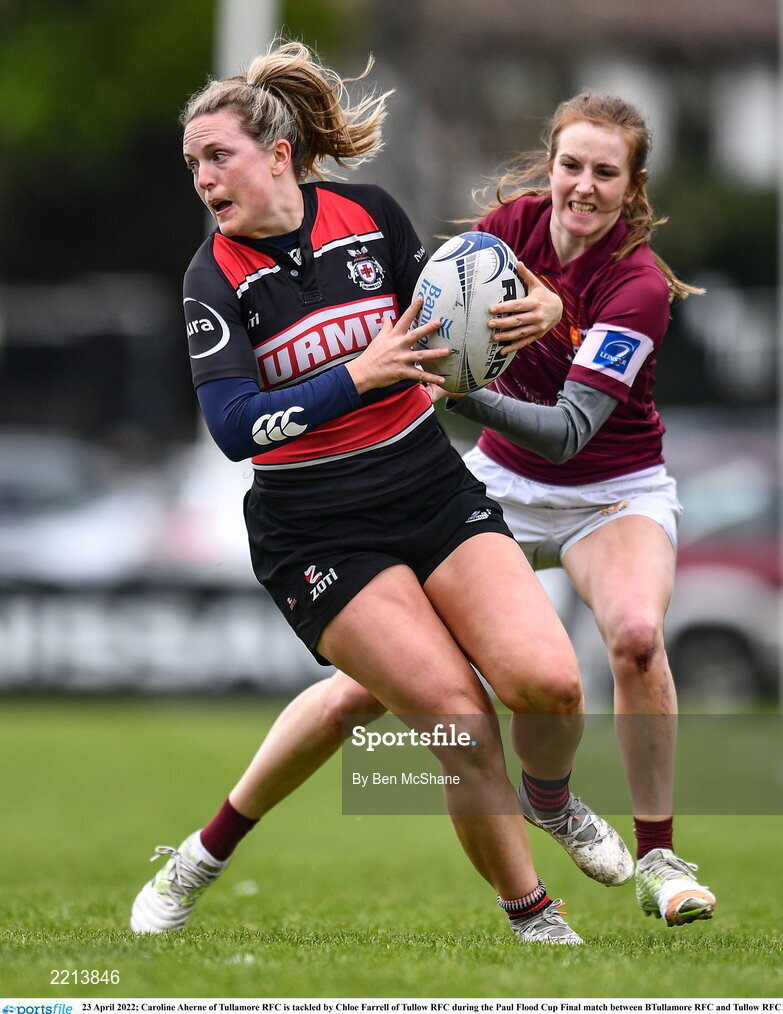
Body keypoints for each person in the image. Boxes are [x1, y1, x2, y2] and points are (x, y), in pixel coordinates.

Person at [130, 43, 633, 945]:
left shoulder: (367, 215)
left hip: (426, 485)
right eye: (192, 165)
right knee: (454, 717)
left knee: (551, 685)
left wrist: (543, 311)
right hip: (316, 529)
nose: (202, 179)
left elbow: (447, 337)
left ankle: (550, 803)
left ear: (277, 155)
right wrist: (354, 376)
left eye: (218, 157)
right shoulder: (215, 278)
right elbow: (235, 429)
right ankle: (535, 920)